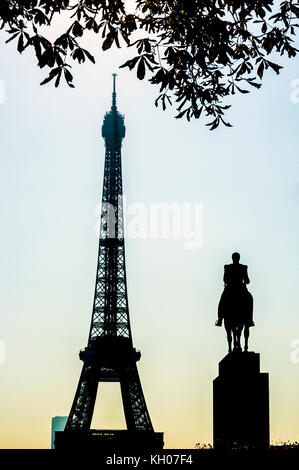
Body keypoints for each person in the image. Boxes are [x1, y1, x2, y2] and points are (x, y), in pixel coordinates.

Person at [215, 252, 255, 327]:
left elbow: (225, 280)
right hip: (240, 288)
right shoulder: (243, 267)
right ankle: (249, 319)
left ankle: (220, 319)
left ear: (232, 258)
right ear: (239, 258)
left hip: (230, 288)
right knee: (249, 299)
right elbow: (247, 281)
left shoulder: (227, 267)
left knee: (222, 300)